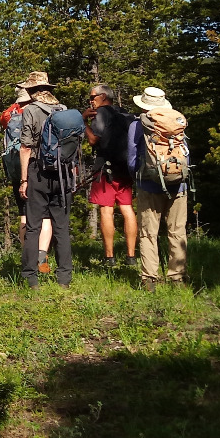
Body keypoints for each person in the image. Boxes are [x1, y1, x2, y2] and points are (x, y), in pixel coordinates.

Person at [15, 71, 79, 288]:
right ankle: (64, 279)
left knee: (33, 227)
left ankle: (30, 278)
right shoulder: (63, 110)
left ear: (32, 91)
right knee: (61, 227)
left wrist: (24, 179)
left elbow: (25, 146)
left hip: (38, 171)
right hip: (63, 174)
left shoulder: (30, 111)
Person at [128, 86, 190, 291]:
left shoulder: (137, 125)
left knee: (148, 233)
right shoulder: (176, 122)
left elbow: (131, 159)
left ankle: (149, 279)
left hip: (148, 184)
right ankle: (177, 278)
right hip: (178, 183)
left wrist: (140, 175)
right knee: (177, 231)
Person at [82, 84, 137, 268]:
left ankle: (109, 257)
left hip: (106, 170)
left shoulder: (102, 114)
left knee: (106, 210)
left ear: (103, 96)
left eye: (92, 97)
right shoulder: (126, 115)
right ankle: (131, 256)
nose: (91, 101)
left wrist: (83, 122)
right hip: (125, 169)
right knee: (127, 209)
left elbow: (93, 140)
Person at [1, 87, 30, 248]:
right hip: (34, 170)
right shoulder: (37, 112)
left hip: (16, 172)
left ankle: (27, 254)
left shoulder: (11, 114)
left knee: (24, 215)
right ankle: (42, 254)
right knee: (43, 216)